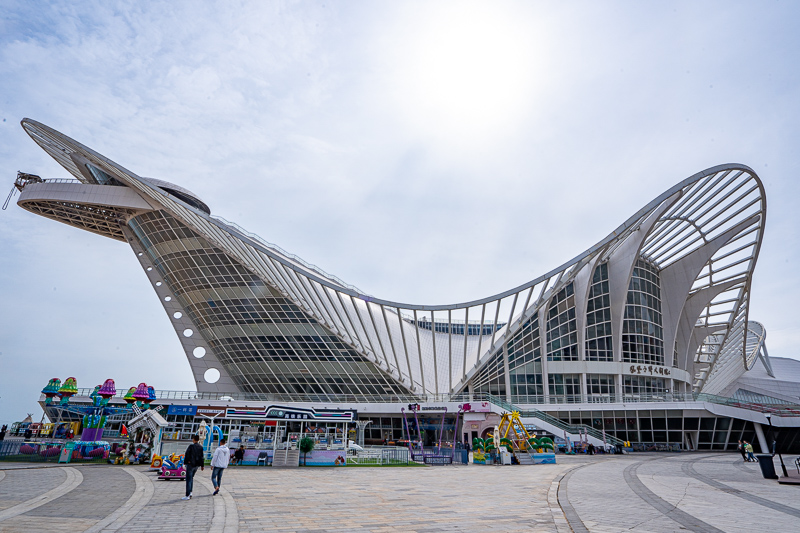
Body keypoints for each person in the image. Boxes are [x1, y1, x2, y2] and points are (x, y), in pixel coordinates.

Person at [182, 434, 205, 500]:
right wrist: (202, 465)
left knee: (188, 479)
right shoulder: (200, 447)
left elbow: (187, 454)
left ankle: (188, 494)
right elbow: (201, 457)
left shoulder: (191, 446)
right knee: (191, 478)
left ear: (194, 439)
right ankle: (191, 492)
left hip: (191, 464)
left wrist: (185, 462)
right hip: (196, 465)